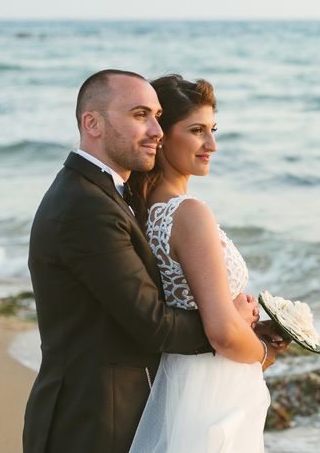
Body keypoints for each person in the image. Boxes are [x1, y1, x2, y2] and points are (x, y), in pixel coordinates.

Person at [23, 69, 259, 453]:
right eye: (139, 115)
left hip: (117, 412)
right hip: (90, 423)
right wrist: (235, 329)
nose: (157, 130)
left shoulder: (113, 197)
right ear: (92, 123)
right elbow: (153, 322)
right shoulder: (87, 206)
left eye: (156, 115)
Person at [129, 75, 287, 453]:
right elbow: (220, 333)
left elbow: (189, 307)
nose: (212, 144)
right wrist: (265, 352)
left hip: (182, 382)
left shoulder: (142, 210)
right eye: (197, 130)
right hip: (210, 388)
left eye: (212, 130)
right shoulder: (189, 214)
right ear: (161, 135)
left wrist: (242, 322)